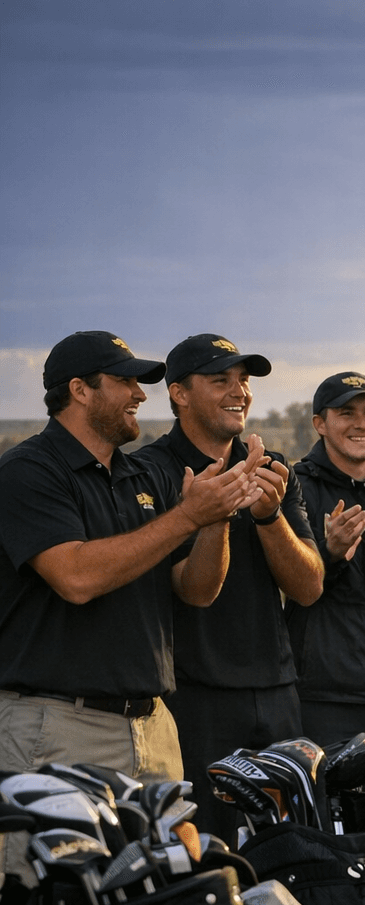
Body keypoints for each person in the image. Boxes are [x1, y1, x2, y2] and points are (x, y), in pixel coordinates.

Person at [0, 332, 256, 783]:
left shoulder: (142, 475)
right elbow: (75, 577)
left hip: (153, 727)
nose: (141, 393)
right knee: (68, 856)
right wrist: (187, 517)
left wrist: (216, 518)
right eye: (125, 381)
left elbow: (196, 591)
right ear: (80, 390)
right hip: (58, 728)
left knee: (172, 857)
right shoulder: (29, 470)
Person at [139, 333, 326, 843]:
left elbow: (309, 586)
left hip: (277, 690)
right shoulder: (152, 471)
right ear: (178, 393)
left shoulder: (271, 466)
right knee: (212, 853)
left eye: (242, 380)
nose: (238, 391)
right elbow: (195, 590)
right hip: (195, 696)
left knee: (294, 850)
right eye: (219, 379)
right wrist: (210, 514)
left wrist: (269, 517)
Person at [285, 371, 365, 794]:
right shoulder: (297, 488)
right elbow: (292, 584)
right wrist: (327, 556)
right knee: (331, 826)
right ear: (320, 423)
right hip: (322, 698)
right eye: (346, 412)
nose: (360, 423)